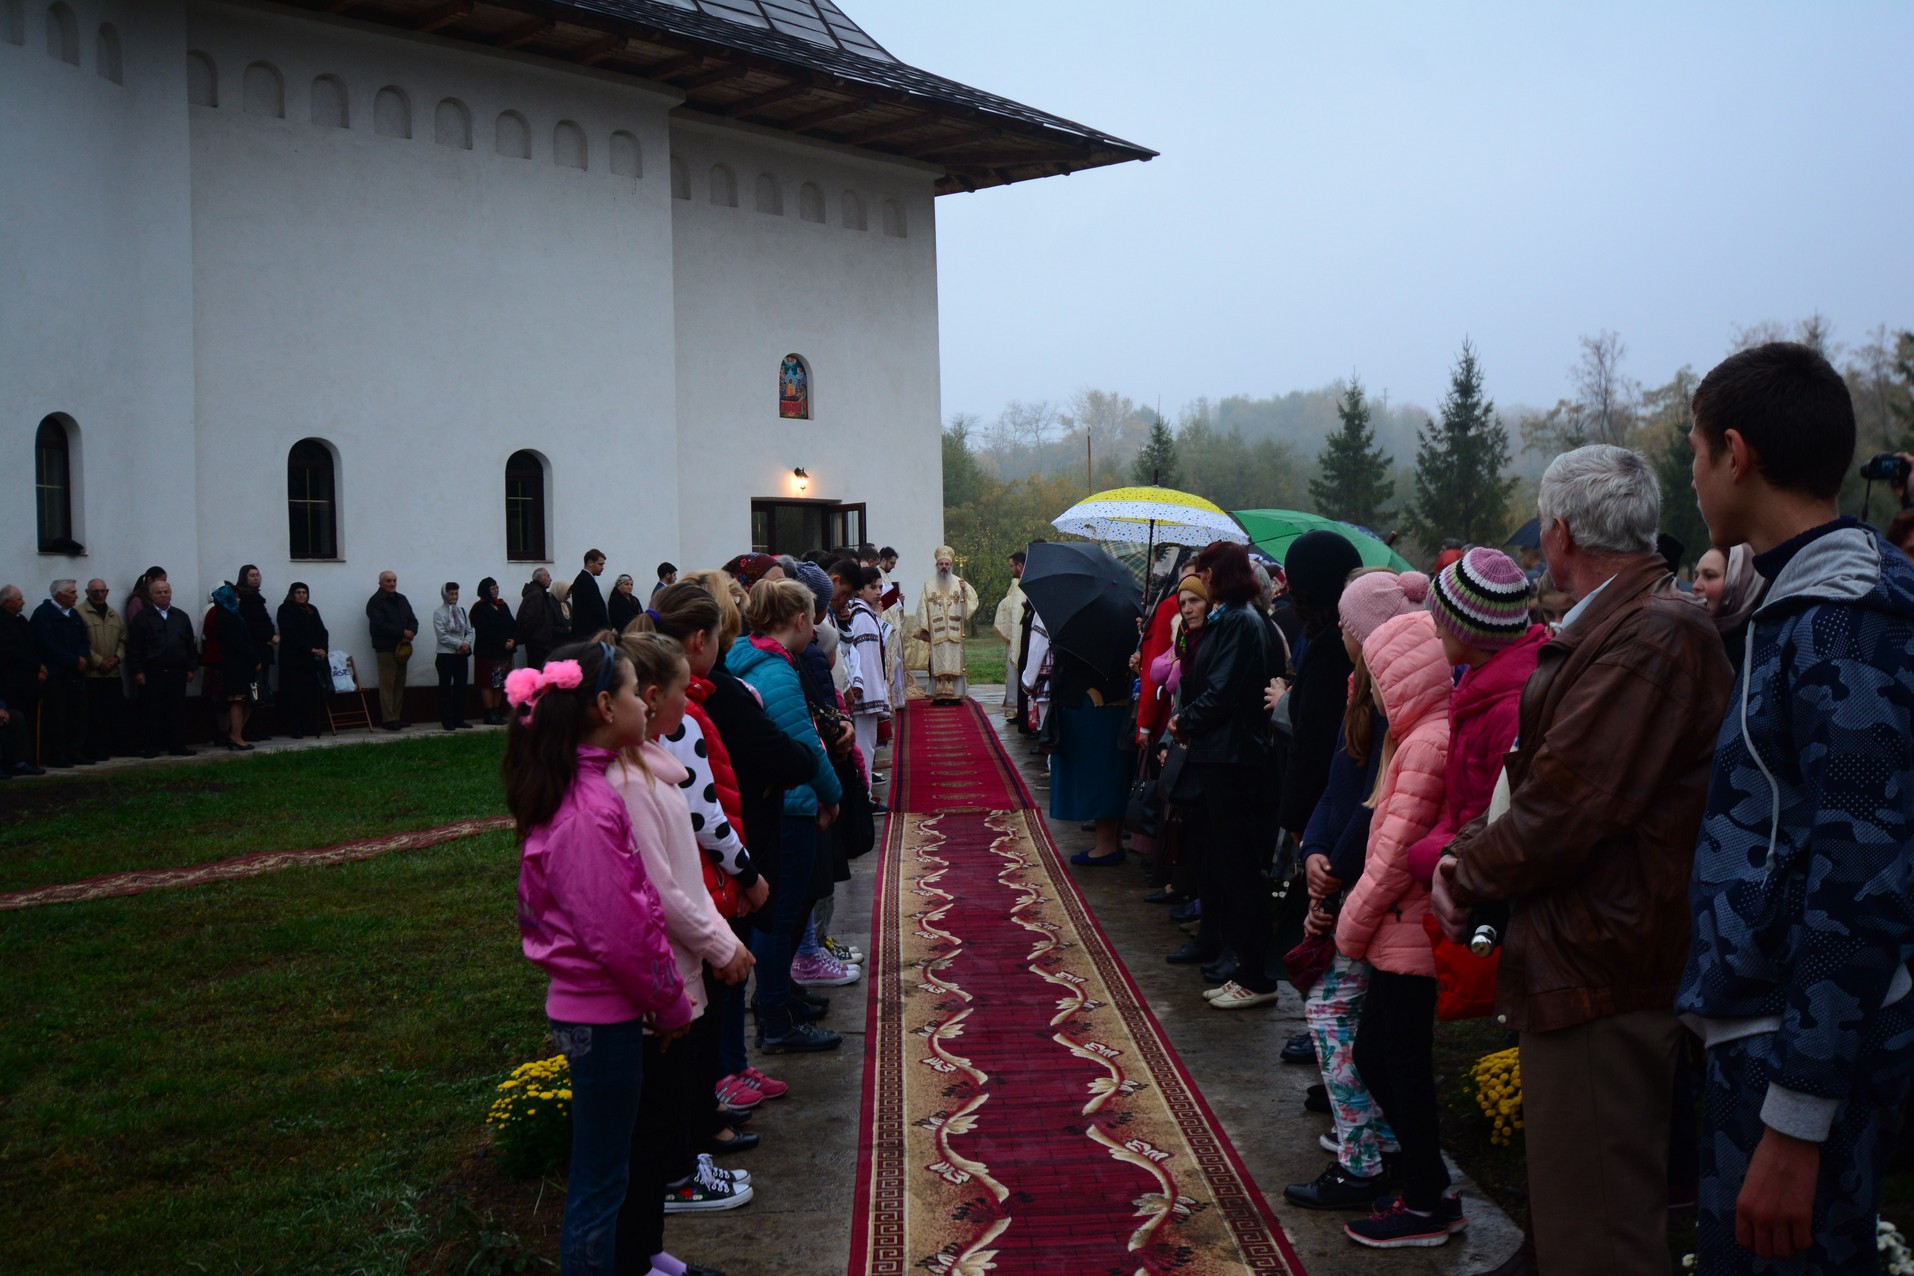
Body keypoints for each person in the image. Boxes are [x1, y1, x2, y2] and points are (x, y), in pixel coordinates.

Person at [1432, 444, 1733, 1276]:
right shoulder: (1626, 623)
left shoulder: (1649, 634)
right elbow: (1544, 777)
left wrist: (1466, 873)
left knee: (1599, 1239)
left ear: (1559, 533)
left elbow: (1570, 799)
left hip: (1607, 961)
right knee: (1577, 1221)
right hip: (1591, 950)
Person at [1677, 342, 1914, 1274]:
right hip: (1769, 1032)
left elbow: (1862, 881)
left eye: (1695, 455)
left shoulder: (1845, 622)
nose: (1693, 479)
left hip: (1796, 1047)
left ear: (1735, 454)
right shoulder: (1795, 604)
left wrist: (1797, 1119)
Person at [502, 638, 694, 1275]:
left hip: (602, 1008)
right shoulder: (586, 810)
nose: (647, 701)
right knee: (600, 1181)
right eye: (639, 691)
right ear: (606, 707)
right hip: (605, 1015)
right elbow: (621, 931)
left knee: (606, 1170)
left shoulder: (585, 787)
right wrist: (668, 1003)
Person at [608, 631, 756, 1248]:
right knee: (651, 1130)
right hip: (660, 980)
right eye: (672, 694)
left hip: (682, 969)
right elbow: (661, 891)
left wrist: (716, 936)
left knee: (665, 1112)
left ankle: (651, 1251)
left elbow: (683, 879)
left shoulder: (652, 771)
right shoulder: (633, 785)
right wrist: (722, 944)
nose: (684, 702)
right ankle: (638, 1250)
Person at [1336, 609, 1456, 1246]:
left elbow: (1392, 857)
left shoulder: (1425, 744)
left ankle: (1426, 1201)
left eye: (1379, 676)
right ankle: (1426, 1181)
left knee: (1398, 1064)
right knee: (1380, 1056)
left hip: (1407, 930)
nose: (1373, 690)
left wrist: (1349, 925)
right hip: (1396, 928)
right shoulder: (1412, 738)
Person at [1283, 569, 1400, 1211]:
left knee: (1331, 1014)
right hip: (1343, 872)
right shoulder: (1362, 691)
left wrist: (1334, 867)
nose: (1344, 637)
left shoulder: (1399, 700)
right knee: (1353, 1020)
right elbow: (1338, 782)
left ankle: (1363, 1158)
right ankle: (1376, 1136)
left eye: (1352, 627)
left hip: (1370, 885)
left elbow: (1377, 801)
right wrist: (1313, 849)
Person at [724, 579, 844, 1054]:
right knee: (782, 915)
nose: (815, 626)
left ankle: (784, 996)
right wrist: (831, 795)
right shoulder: (775, 671)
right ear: (800, 620)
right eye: (813, 617)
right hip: (792, 805)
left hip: (782, 801)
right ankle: (775, 1018)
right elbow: (804, 746)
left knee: (787, 914)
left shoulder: (756, 657)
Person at [1167, 543, 1282, 1007]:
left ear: (1220, 574)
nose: (1202, 580)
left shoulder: (1239, 619)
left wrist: (1184, 720)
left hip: (1232, 757)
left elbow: (1224, 691)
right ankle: (1243, 966)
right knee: (1226, 863)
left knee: (1239, 869)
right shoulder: (1232, 617)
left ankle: (1254, 974)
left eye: (1206, 572)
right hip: (1222, 754)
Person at [127, 577, 196, 758]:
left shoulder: (180, 616)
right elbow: (135, 647)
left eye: (166, 592)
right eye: (159, 592)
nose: (164, 595)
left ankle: (178, 745)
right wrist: (137, 671)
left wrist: (191, 667)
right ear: (151, 595)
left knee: (177, 710)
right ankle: (152, 746)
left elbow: (190, 644)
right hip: (153, 672)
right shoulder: (142, 618)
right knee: (152, 711)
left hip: (177, 671)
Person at [32, 579, 91, 767]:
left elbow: (84, 638)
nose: (77, 596)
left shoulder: (73, 614)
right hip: (56, 674)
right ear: (59, 595)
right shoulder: (43, 614)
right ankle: (56, 754)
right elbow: (47, 644)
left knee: (77, 714)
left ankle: (74, 751)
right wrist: (74, 660)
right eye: (72, 592)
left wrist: (82, 656)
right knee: (57, 716)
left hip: (76, 673)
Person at [911, 546, 979, 702]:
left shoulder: (960, 583)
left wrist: (965, 591)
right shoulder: (928, 585)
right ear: (937, 565)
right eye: (941, 564)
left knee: (955, 662)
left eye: (947, 564)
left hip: (955, 631)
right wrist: (924, 629)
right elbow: (922, 607)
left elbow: (973, 601)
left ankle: (956, 695)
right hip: (937, 633)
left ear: (951, 565)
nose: (944, 567)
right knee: (939, 663)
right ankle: (939, 696)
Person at [204, 582, 259, 752]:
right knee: (238, 699)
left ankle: (236, 733)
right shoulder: (227, 617)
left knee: (250, 700)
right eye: (235, 596)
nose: (238, 599)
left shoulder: (230, 614)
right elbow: (239, 643)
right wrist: (253, 658)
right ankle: (236, 735)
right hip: (236, 664)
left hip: (239, 663)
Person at [1692, 544, 1763, 675]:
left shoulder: (1758, 648)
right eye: (1696, 576)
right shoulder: (1694, 637)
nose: (1696, 586)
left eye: (1709, 576)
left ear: (1740, 583)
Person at [1, 585, 48, 773]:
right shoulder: (2, 624)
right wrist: (36, 666)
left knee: (25, 720)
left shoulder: (21, 621)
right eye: (19, 599)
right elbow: (11, 652)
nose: (23, 602)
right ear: (6, 603)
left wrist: (40, 667)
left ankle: (23, 761)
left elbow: (32, 647)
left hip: (29, 680)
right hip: (10, 683)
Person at [78, 579, 127, 760]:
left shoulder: (114, 614)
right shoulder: (80, 613)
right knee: (94, 717)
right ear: (87, 592)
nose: (99, 595)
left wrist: (116, 658)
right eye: (94, 592)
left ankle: (120, 747)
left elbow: (123, 640)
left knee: (116, 714)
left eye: (102, 591)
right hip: (92, 675)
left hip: (113, 674)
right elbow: (81, 643)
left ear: (107, 592)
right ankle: (98, 750)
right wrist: (99, 662)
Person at [275, 583, 330, 739]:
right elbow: (290, 634)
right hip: (293, 660)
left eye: (304, 592)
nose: (301, 595)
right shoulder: (285, 609)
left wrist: (323, 649)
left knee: (309, 694)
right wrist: (309, 649)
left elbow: (322, 631)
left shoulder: (311, 609)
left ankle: (309, 725)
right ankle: (294, 727)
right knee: (294, 695)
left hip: (311, 661)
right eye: (298, 592)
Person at [364, 571, 418, 731]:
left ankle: (397, 716)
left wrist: (411, 632)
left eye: (394, 580)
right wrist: (402, 632)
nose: (392, 584)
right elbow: (379, 626)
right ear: (380, 583)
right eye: (388, 581)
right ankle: (388, 719)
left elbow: (413, 620)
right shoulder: (375, 602)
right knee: (388, 684)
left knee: (399, 684)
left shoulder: (402, 599)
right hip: (385, 648)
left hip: (403, 648)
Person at [235, 565, 278, 741]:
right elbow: (251, 625)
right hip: (254, 652)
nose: (255, 578)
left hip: (263, 650)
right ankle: (246, 730)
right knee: (253, 691)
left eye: (257, 574)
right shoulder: (244, 599)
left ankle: (256, 728)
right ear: (244, 578)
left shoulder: (256, 597)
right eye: (251, 575)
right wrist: (268, 636)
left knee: (260, 690)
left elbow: (265, 620)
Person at [471, 578, 517, 725]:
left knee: (500, 682)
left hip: (504, 652)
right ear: (485, 591)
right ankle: (489, 712)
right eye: (492, 588)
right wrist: (502, 642)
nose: (496, 590)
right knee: (487, 682)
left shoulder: (503, 606)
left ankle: (497, 710)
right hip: (488, 651)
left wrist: (513, 639)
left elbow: (512, 624)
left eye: (497, 587)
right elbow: (484, 630)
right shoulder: (479, 608)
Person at [432, 582, 474, 731]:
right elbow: (442, 636)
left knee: (461, 687)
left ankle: (459, 718)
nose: (454, 597)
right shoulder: (439, 613)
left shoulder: (462, 611)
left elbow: (469, 631)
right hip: (445, 655)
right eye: (451, 594)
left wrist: (466, 644)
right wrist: (459, 644)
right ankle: (447, 720)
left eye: (456, 594)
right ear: (445, 594)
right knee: (445, 689)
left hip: (461, 655)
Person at [993, 551, 1027, 716]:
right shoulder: (1019, 583)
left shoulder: (1022, 585)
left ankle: (1019, 709)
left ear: (1019, 566)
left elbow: (1013, 608)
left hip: (1022, 636)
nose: (1010, 569)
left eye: (1012, 566)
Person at [519, 568, 568, 669]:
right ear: (541, 578)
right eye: (548, 576)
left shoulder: (539, 593)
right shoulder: (537, 595)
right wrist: (537, 637)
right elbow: (530, 619)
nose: (551, 579)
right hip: (538, 644)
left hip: (540, 642)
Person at [571, 550, 610, 638]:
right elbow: (596, 607)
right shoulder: (586, 580)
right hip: (588, 632)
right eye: (600, 564)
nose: (603, 567)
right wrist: (608, 627)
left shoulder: (585, 578)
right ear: (590, 562)